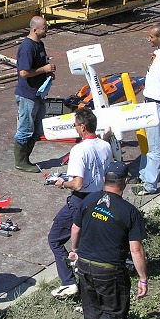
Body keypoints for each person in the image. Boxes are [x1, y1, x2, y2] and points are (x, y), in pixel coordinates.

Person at [69, 161, 148, 319]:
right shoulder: (129, 212)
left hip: (84, 265)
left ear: (104, 180)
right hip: (109, 269)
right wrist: (143, 278)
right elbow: (136, 250)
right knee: (115, 311)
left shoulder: (89, 199)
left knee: (93, 310)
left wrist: (74, 250)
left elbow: (75, 228)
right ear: (125, 182)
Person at [48, 108, 112, 298]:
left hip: (80, 200)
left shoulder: (78, 150)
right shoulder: (105, 146)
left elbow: (77, 184)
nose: (75, 129)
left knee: (55, 238)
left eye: (75, 126)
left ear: (83, 128)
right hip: (100, 197)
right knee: (89, 239)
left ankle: (68, 282)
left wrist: (62, 182)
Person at [134, 23, 160, 195]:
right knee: (147, 143)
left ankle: (150, 185)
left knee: (154, 147)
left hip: (156, 104)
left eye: (152, 37)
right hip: (148, 101)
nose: (148, 39)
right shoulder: (158, 53)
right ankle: (144, 175)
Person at [14, 15, 56, 173]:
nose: (47, 29)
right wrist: (43, 70)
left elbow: (41, 64)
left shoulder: (40, 44)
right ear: (35, 30)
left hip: (38, 93)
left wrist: (48, 72)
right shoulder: (27, 47)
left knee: (37, 129)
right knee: (25, 129)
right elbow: (24, 72)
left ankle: (26, 159)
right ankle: (20, 162)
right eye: (45, 27)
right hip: (27, 95)